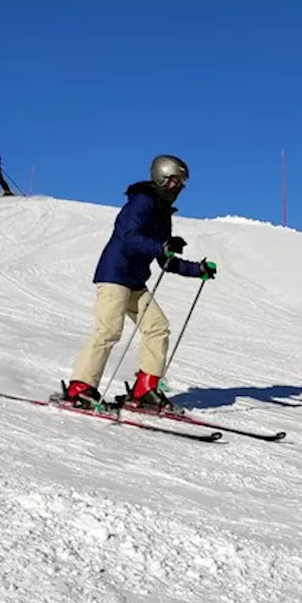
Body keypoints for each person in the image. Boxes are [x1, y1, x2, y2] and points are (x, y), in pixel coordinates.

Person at [55, 154, 217, 412]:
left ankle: (146, 389)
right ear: (161, 177)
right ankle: (80, 388)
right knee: (108, 331)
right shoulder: (141, 203)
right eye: (176, 181)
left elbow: (165, 261)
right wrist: (162, 245)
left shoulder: (163, 214)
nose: (180, 188)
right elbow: (130, 237)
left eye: (182, 183)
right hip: (115, 275)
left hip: (135, 282)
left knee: (157, 327)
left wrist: (197, 269)